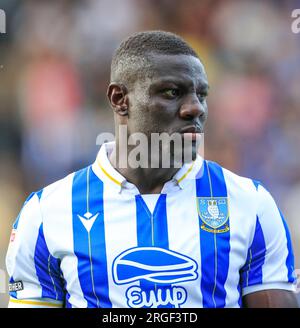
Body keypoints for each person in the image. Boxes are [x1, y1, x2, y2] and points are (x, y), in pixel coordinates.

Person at [6, 31, 298, 308]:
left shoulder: (251, 204)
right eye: (172, 92)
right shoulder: (47, 214)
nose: (195, 108)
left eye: (202, 95)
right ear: (120, 99)